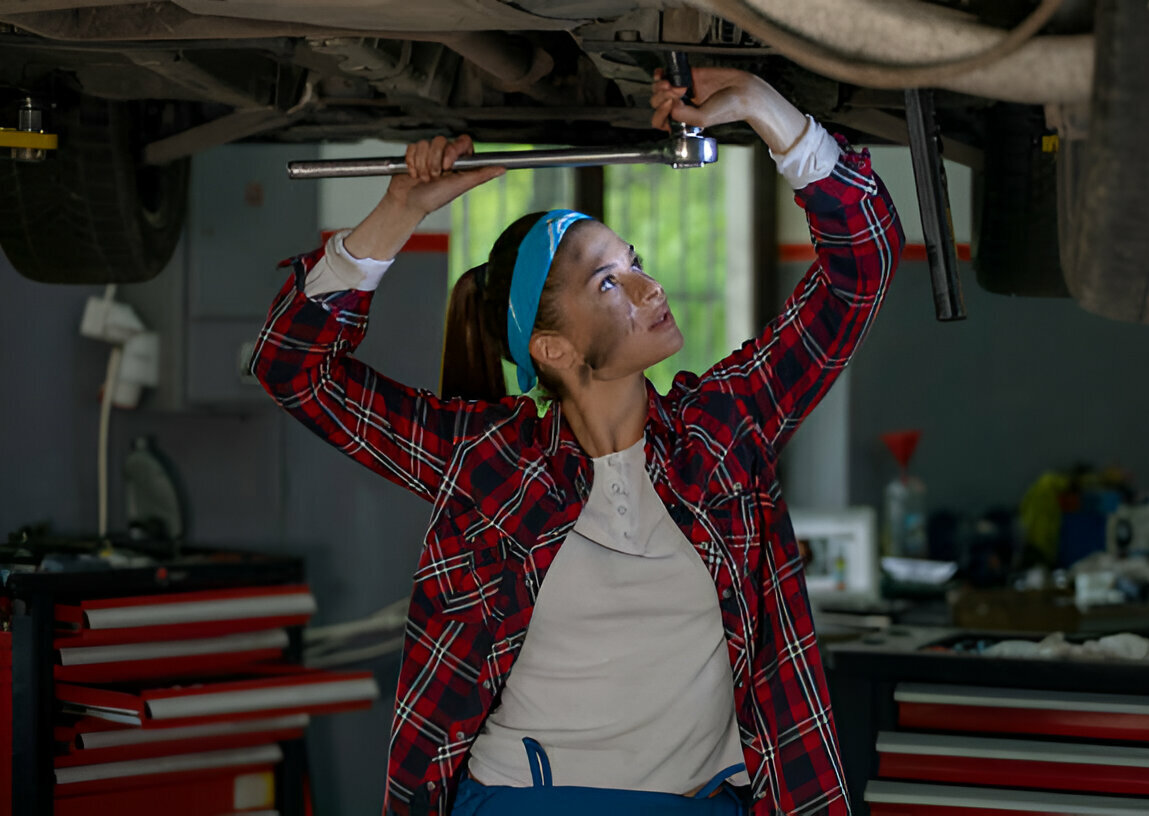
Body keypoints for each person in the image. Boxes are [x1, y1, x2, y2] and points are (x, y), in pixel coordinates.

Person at [251, 67, 902, 816]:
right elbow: (292, 368)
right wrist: (396, 214)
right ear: (552, 350)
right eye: (607, 283)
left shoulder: (721, 432)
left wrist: (759, 105)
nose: (647, 288)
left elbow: (862, 266)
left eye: (637, 264)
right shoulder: (490, 461)